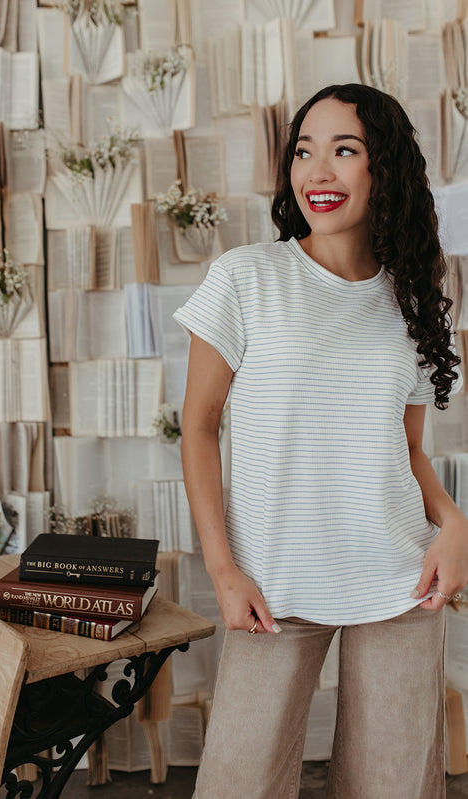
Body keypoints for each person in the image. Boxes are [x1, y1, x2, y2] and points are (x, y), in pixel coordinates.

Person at [172, 83, 468, 799]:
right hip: (272, 583)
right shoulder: (247, 277)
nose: (316, 172)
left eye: (344, 150)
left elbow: (406, 448)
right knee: (237, 784)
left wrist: (454, 524)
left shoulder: (413, 299)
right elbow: (199, 425)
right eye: (304, 151)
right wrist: (222, 569)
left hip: (399, 578)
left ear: (383, 169)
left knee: (391, 786)